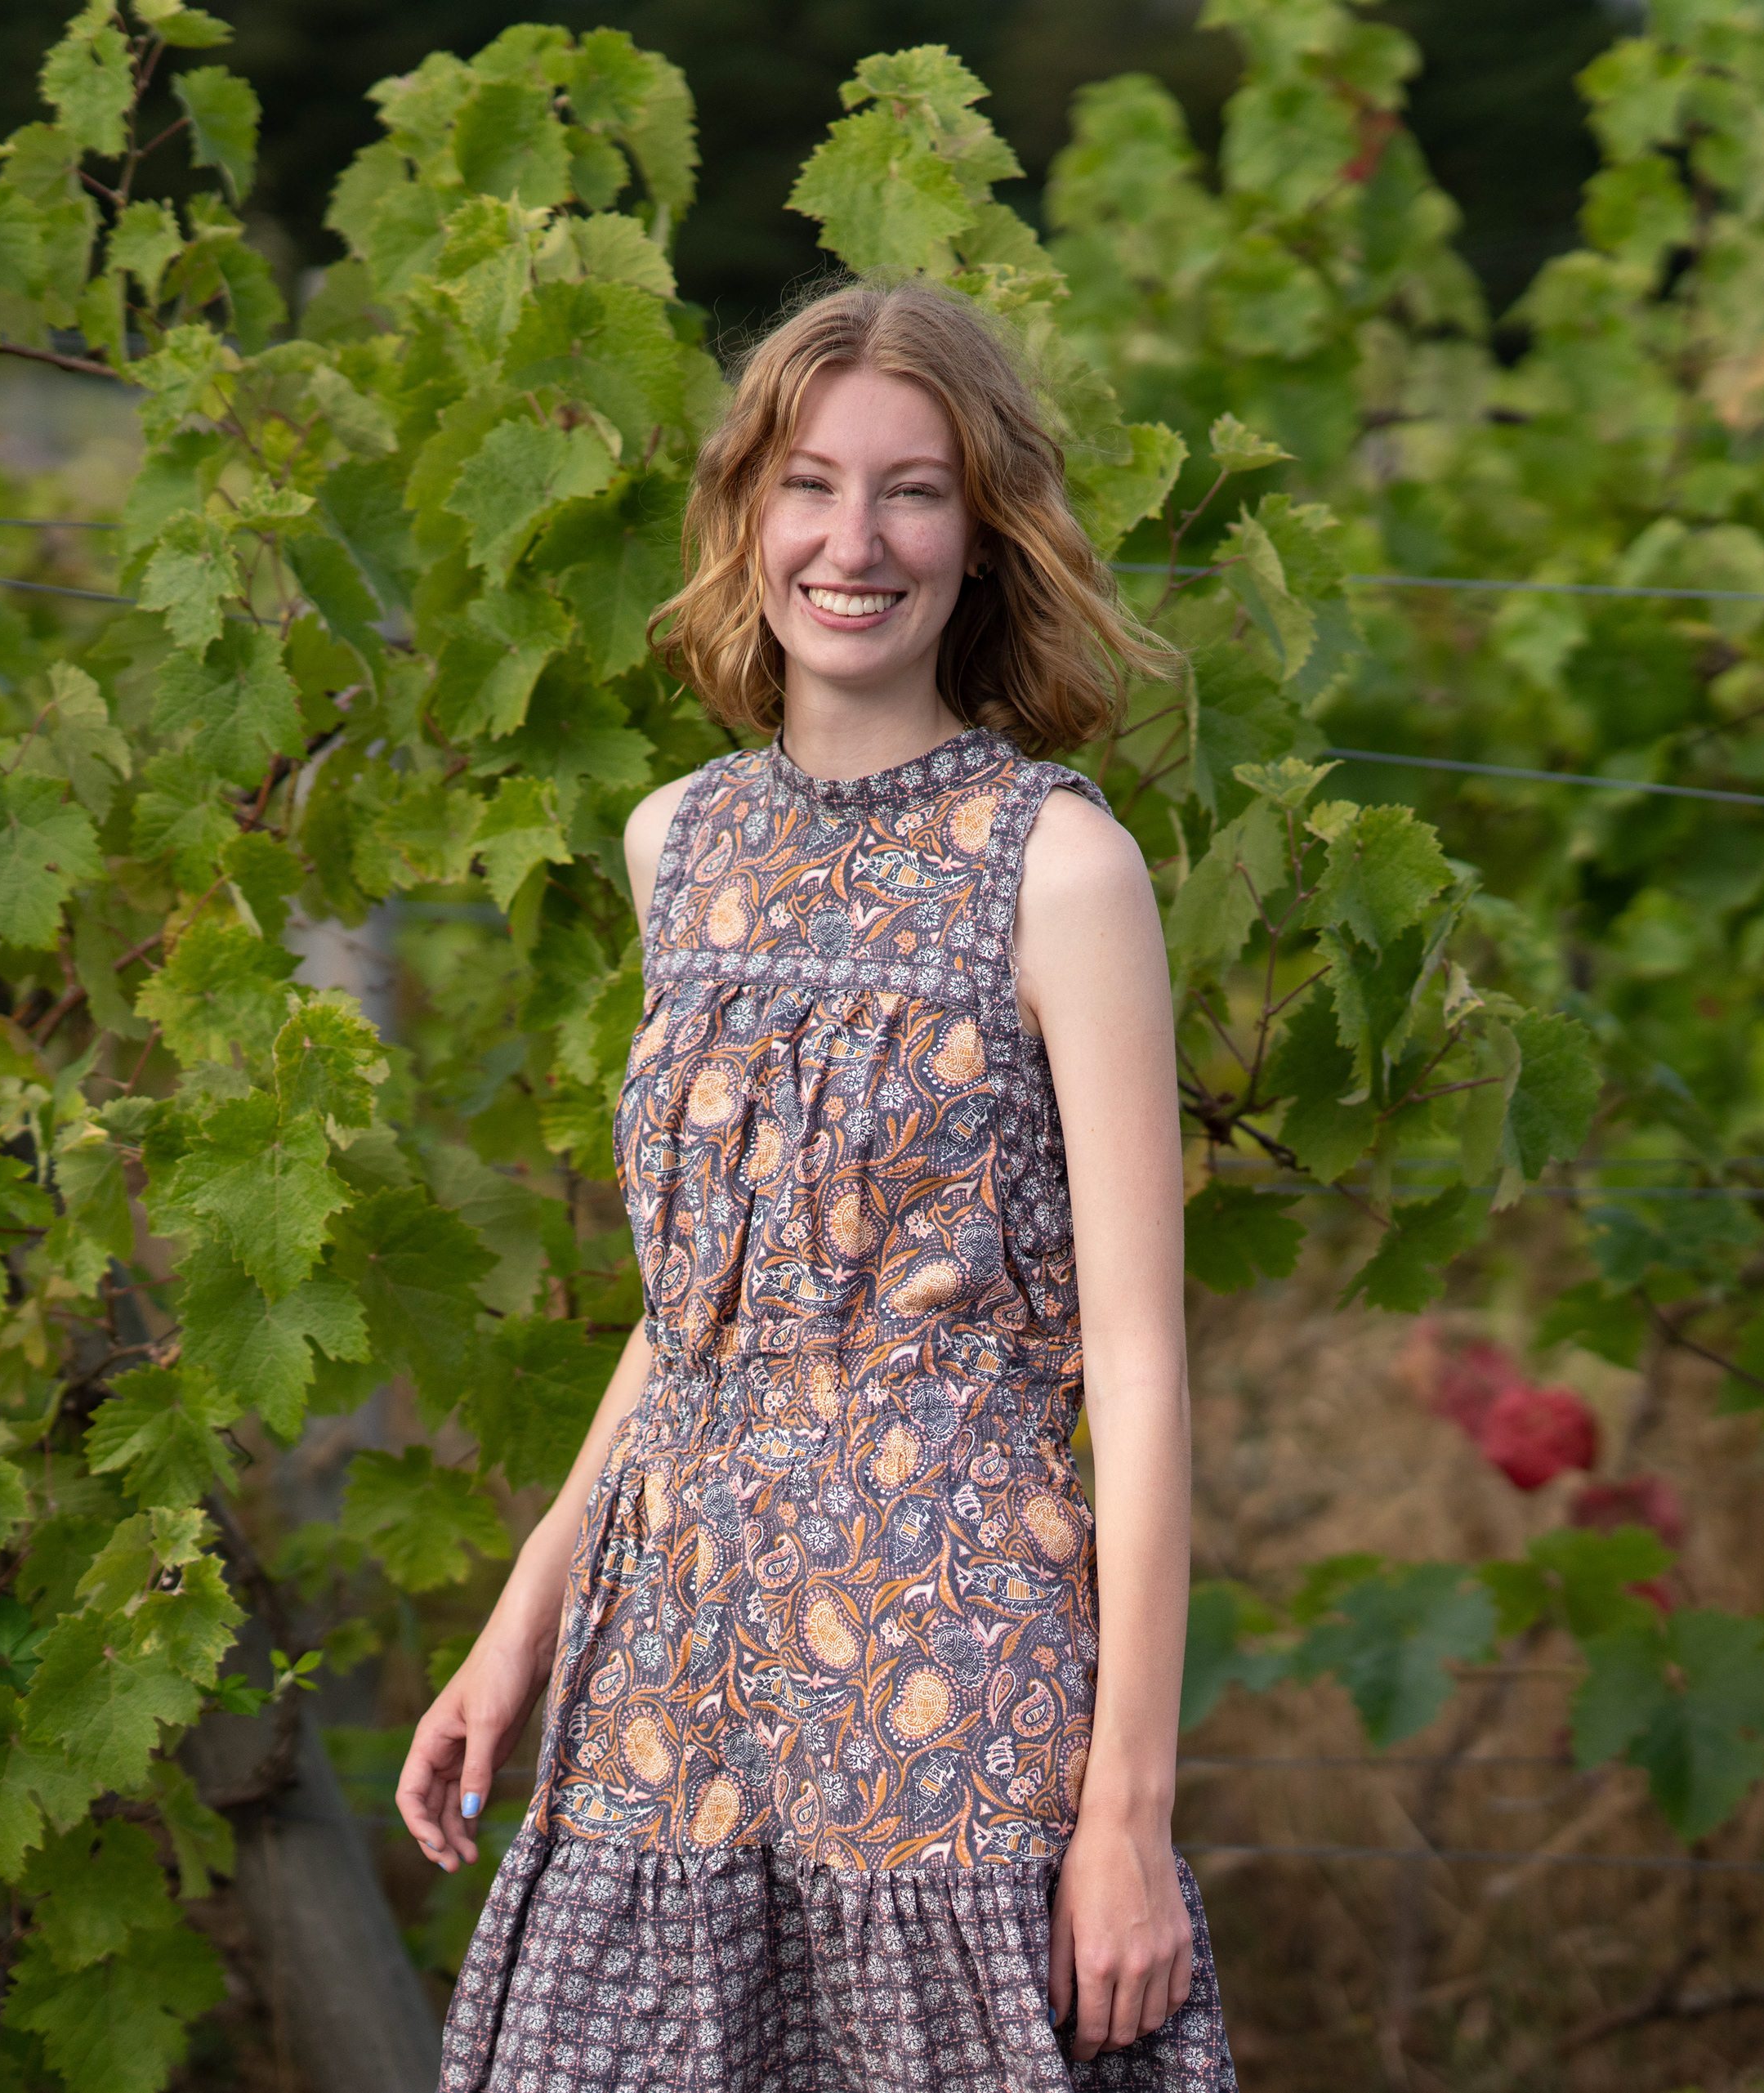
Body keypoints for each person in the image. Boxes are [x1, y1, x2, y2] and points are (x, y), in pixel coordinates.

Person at [397, 275, 1235, 2091]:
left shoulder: (1058, 869)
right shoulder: (676, 844)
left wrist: (1127, 1815)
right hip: (667, 1678)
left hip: (946, 1690)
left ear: (983, 534)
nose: (854, 544)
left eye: (913, 492)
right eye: (811, 485)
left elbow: (1140, 1368)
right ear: (747, 511)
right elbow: (697, 1311)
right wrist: (519, 1621)